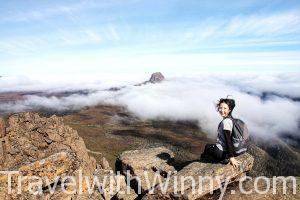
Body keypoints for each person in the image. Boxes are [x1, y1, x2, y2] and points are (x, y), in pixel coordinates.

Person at [201, 97, 246, 169]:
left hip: (221, 153)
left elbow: (228, 140)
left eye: (225, 108)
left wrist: (231, 158)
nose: (222, 110)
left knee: (207, 147)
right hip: (231, 152)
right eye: (220, 108)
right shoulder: (233, 120)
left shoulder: (226, 122)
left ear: (229, 110)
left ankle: (203, 164)